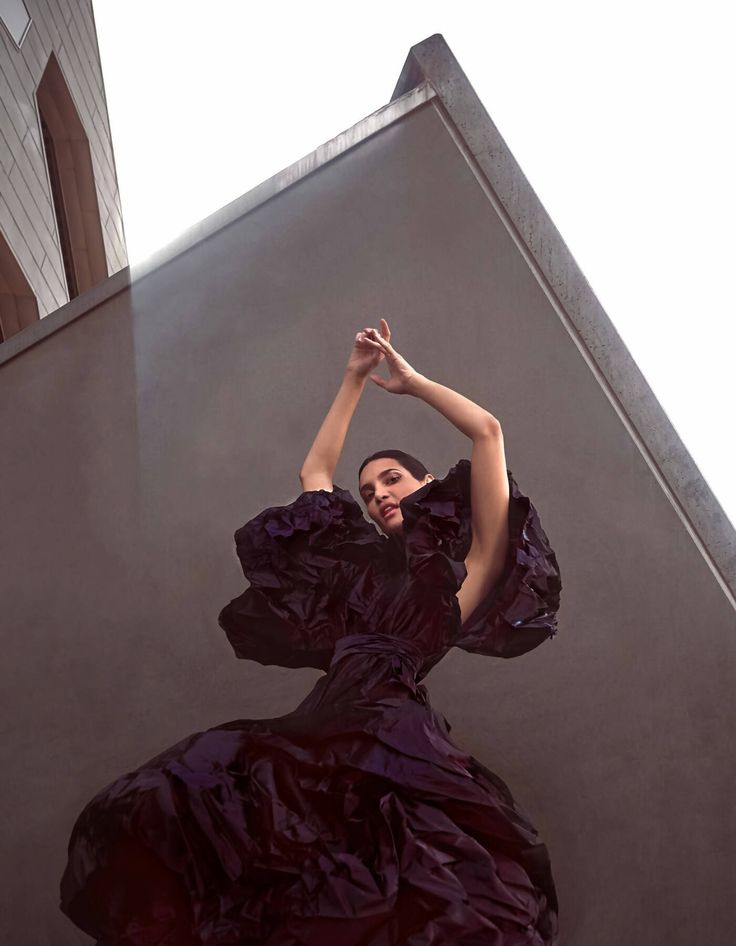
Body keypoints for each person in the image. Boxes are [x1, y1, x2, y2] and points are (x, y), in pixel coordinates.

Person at [59, 318, 562, 945]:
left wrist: (411, 383)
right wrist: (352, 379)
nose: (378, 493)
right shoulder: (350, 580)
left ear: (427, 484)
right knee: (187, 797)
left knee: (408, 876)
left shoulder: (462, 583)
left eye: (393, 479)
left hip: (392, 730)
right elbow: (314, 473)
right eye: (369, 489)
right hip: (320, 725)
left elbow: (488, 432)